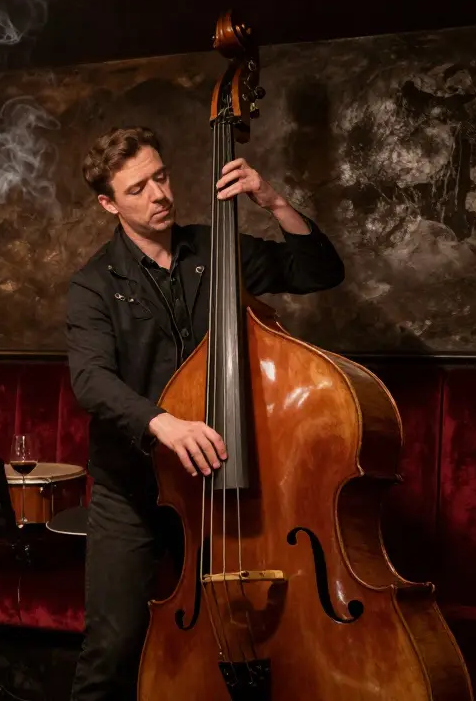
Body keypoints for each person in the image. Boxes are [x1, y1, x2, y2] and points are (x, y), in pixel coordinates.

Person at [65, 126, 346, 701]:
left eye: (161, 177)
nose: (159, 195)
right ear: (109, 203)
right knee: (112, 649)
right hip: (133, 488)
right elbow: (90, 379)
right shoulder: (93, 284)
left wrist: (274, 202)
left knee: (244, 636)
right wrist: (162, 422)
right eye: (138, 187)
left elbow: (318, 272)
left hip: (222, 484)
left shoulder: (218, 246)